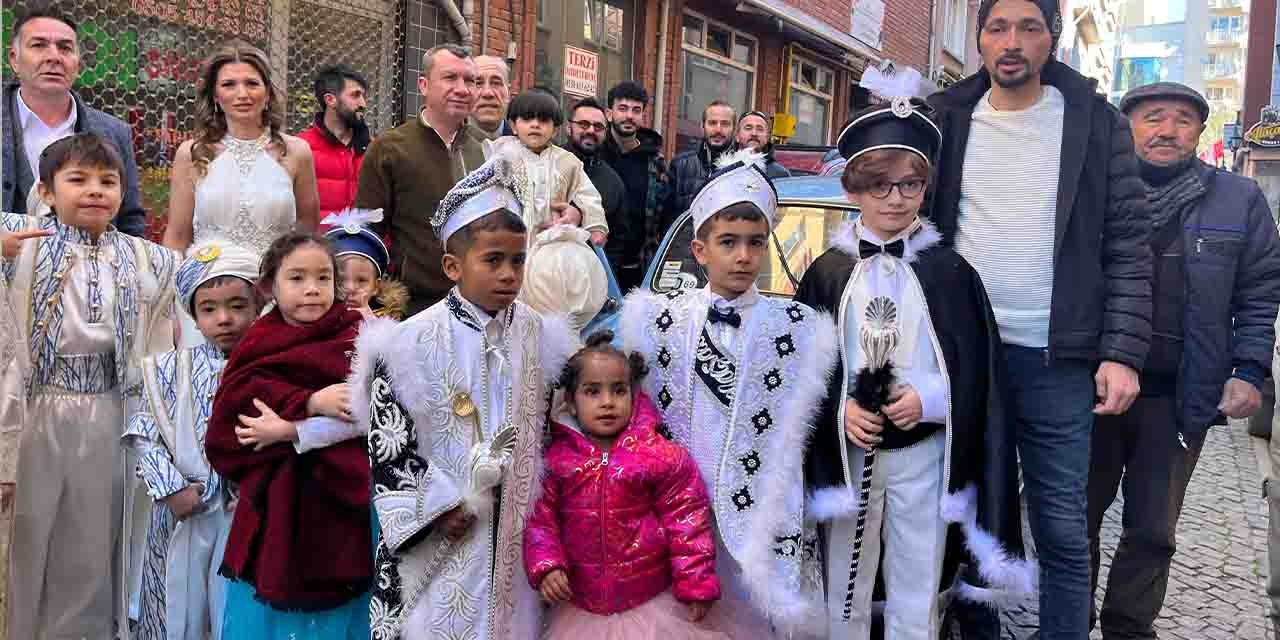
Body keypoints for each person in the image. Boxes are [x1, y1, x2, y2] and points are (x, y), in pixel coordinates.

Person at [927, 0, 1152, 635]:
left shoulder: (1094, 122)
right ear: (979, 40)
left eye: (1029, 28)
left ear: (1051, 39)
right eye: (998, 27)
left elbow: (1129, 244)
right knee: (970, 513)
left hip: (1058, 359)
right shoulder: (948, 118)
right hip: (965, 354)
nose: (1012, 42)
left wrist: (1122, 352)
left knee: (1060, 522)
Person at [794, 100, 1032, 639]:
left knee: (917, 584)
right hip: (852, 455)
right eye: (879, 185)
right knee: (845, 585)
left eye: (910, 185)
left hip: (925, 455)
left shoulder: (951, 273)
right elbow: (802, 370)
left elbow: (980, 375)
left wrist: (930, 399)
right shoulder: (827, 274)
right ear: (852, 189)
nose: (895, 199)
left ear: (926, 189)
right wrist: (841, 410)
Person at [350, 151, 578, 640]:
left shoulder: (541, 336)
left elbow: (552, 431)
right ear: (454, 265)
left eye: (518, 260)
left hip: (519, 539)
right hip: (442, 536)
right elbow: (390, 445)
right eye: (492, 260)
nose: (508, 274)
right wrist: (441, 507)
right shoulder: (408, 341)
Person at [621, 149, 836, 639]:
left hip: (761, 509)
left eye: (756, 243)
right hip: (680, 509)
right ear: (700, 250)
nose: (743, 256)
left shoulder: (797, 329)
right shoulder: (659, 322)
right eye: (728, 243)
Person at [1090, 83, 1279, 639]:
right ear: (1128, 127)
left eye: (1182, 121)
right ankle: (1065, 624)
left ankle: (1128, 628)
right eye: (1153, 118)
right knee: (1072, 521)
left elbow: (1261, 288)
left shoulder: (1238, 200)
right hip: (1090, 390)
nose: (1166, 130)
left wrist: (1249, 370)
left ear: (1199, 132)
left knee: (1153, 529)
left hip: (1178, 397)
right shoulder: (1094, 191)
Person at [0, 132, 179, 640]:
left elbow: (168, 341)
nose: (94, 190)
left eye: (108, 181)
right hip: (33, 411)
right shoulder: (22, 240)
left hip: (111, 411)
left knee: (93, 536)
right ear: (47, 191)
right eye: (77, 180)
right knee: (30, 532)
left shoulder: (150, 259)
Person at [204, 231, 371, 639]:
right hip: (279, 504)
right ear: (270, 287)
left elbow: (375, 413)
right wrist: (309, 402)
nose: (312, 290)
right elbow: (235, 415)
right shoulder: (261, 341)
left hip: (343, 504)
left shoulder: (359, 336)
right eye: (296, 279)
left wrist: (292, 430)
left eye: (323, 278)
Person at [523, 331, 731, 640]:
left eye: (618, 390)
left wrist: (696, 580)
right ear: (570, 400)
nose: (607, 402)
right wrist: (547, 566)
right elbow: (540, 522)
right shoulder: (556, 462)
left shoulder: (660, 456)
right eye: (592, 392)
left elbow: (688, 521)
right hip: (582, 611)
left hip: (653, 608)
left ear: (633, 394)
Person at [124, 243, 263, 640]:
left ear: (258, 307)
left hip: (245, 513)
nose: (225, 319)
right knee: (174, 612)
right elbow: (142, 435)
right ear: (193, 315)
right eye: (209, 309)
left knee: (233, 610)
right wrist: (171, 488)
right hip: (180, 509)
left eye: (238, 306)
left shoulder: (272, 367)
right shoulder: (169, 369)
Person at [164, 39, 320, 347]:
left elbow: (307, 231)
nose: (242, 94)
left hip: (275, 300)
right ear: (215, 96)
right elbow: (177, 237)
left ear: (267, 92)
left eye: (252, 83)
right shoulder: (192, 154)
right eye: (229, 84)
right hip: (208, 302)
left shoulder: (297, 153)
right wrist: (170, 308)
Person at [355, 44, 486, 316]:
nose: (462, 89)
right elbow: (367, 231)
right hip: (414, 306)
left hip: (476, 302)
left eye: (470, 81)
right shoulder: (390, 148)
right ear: (424, 85)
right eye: (450, 78)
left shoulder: (484, 150)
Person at [2, 9, 146, 236]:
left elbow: (131, 221)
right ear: (14, 59)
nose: (54, 57)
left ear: (77, 64)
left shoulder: (114, 132)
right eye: (38, 45)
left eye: (65, 47)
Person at [488, 89, 608, 244]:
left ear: (555, 130)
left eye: (543, 120)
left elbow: (588, 195)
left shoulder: (567, 162)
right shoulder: (501, 154)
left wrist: (596, 227)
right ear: (513, 125)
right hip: (508, 240)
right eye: (527, 119)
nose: (535, 125)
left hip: (552, 243)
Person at [566, 96, 636, 290]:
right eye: (583, 124)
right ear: (568, 127)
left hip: (589, 286)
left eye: (598, 127)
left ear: (605, 133)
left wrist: (603, 280)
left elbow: (616, 242)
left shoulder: (613, 182)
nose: (590, 130)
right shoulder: (548, 165)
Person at [600, 81, 670, 270]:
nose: (629, 116)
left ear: (642, 116)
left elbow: (664, 219)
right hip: (595, 262)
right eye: (622, 108)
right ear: (609, 113)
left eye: (636, 110)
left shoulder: (656, 163)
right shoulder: (595, 156)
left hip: (639, 267)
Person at [300, 64, 370, 223]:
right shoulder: (301, 148)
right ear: (330, 99)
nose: (363, 104)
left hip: (364, 246)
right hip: (317, 246)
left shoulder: (375, 150)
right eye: (356, 95)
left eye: (364, 96)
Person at [323, 207, 408, 320]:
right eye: (340, 280)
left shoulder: (386, 322)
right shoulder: (313, 318)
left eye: (361, 280)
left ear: (376, 287)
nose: (351, 288)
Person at [668, 101, 737, 220]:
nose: (718, 130)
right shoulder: (680, 164)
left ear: (734, 129)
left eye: (725, 124)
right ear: (702, 126)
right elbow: (668, 220)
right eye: (712, 123)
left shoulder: (742, 168)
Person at [469, 55, 514, 143]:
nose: (488, 93)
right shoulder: (445, 147)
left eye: (496, 83)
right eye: (478, 83)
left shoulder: (529, 149)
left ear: (509, 92)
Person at [735, 111, 790, 179]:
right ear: (737, 136)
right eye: (748, 128)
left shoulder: (780, 174)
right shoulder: (723, 168)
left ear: (767, 137)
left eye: (760, 129)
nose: (754, 133)